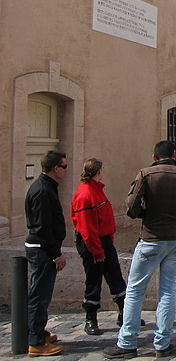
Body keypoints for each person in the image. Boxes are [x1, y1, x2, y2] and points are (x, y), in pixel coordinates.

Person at [103, 141, 176, 359]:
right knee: (168, 290)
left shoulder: (146, 174)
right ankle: (162, 343)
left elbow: (131, 204)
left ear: (154, 156)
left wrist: (144, 216)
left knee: (134, 291)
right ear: (174, 154)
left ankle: (128, 343)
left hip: (151, 237)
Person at [70, 158, 130, 335]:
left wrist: (108, 240)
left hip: (104, 240)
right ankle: (91, 319)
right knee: (93, 280)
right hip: (92, 242)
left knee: (115, 276)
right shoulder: (85, 194)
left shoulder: (97, 190)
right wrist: (97, 251)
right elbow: (87, 228)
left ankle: (124, 314)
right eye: (102, 169)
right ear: (98, 171)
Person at [25, 150, 68, 357]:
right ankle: (35, 341)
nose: (66, 171)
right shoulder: (42, 190)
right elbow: (42, 228)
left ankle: (38, 332)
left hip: (43, 248)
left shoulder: (46, 187)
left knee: (41, 294)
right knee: (39, 296)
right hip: (41, 250)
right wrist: (55, 254)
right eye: (65, 167)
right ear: (56, 168)